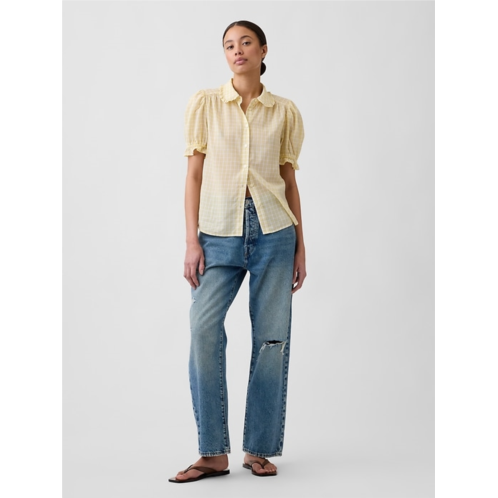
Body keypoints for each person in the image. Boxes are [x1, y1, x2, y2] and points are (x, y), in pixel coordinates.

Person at [169, 20, 306, 484]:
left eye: (246, 42)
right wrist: (191, 242)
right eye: (229, 45)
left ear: (263, 50)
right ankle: (212, 453)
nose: (237, 50)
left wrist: (301, 246)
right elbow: (193, 175)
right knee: (203, 329)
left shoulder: (284, 111)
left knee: (271, 340)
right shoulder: (206, 104)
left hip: (274, 233)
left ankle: (259, 449)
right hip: (217, 233)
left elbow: (289, 182)